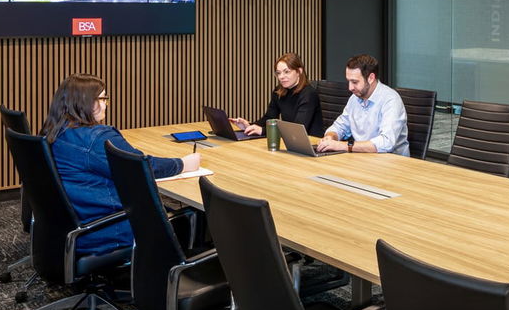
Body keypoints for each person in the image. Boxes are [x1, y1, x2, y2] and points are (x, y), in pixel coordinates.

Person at [42, 74, 198, 255]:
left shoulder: (57, 132)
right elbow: (143, 167)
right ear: (84, 102)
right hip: (107, 228)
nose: (105, 104)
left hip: (74, 223)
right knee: (190, 216)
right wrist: (183, 164)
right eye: (102, 98)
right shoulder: (98, 138)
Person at [317, 54, 408, 155]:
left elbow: (386, 143)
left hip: (393, 164)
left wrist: (344, 146)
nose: (350, 87)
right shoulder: (354, 99)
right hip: (362, 158)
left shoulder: (390, 100)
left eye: (355, 82)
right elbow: (339, 127)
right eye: (349, 81)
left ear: (371, 78)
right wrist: (330, 137)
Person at [232, 52, 320, 137]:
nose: (281, 76)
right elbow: (269, 118)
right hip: (291, 140)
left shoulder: (309, 94)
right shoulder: (279, 91)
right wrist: (249, 126)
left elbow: (297, 129)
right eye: (278, 73)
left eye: (287, 72)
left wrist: (263, 131)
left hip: (311, 142)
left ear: (299, 71)